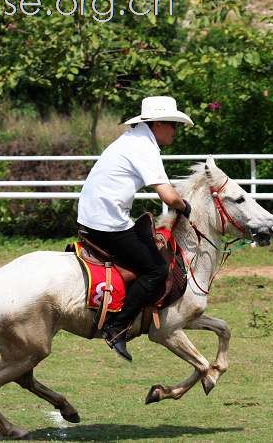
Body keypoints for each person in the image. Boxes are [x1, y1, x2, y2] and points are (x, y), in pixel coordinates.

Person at [77, 96, 192, 362]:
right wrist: (187, 209)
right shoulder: (143, 147)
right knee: (157, 268)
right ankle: (116, 327)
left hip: (99, 216)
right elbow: (168, 196)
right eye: (173, 125)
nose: (175, 131)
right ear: (158, 123)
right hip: (106, 222)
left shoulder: (134, 140)